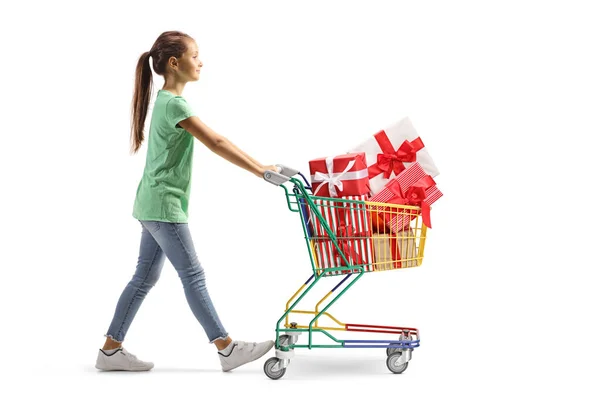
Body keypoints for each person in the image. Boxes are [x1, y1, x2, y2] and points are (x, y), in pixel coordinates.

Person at [95, 30, 277, 372]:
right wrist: (260, 170)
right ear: (175, 63)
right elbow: (217, 142)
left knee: (144, 279)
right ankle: (226, 348)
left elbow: (217, 141)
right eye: (196, 56)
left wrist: (261, 168)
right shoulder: (175, 104)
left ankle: (109, 351)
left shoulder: (164, 101)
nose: (201, 62)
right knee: (192, 275)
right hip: (164, 207)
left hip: (150, 204)